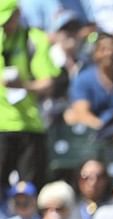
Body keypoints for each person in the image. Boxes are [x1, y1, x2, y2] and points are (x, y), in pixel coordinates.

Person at [0, 0, 60, 190]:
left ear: (17, 14)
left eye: (7, 20)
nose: (4, 26)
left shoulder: (34, 39)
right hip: (1, 126)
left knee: (30, 189)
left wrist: (22, 86)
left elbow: (48, 83)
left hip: (30, 125)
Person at [63, 33, 113, 131]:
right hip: (97, 133)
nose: (109, 53)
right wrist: (109, 130)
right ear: (95, 53)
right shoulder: (83, 80)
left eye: (112, 48)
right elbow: (82, 114)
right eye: (103, 49)